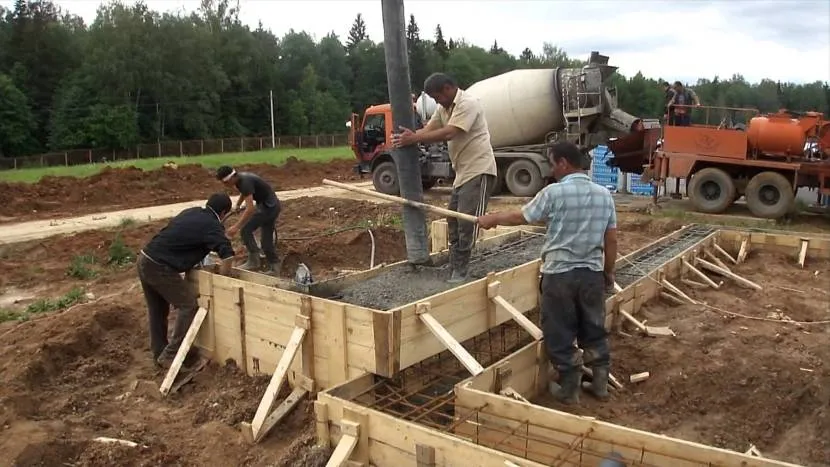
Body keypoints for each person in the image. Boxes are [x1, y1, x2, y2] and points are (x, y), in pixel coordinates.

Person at [477, 141, 618, 405]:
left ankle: (569, 389)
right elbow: (611, 240)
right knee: (594, 328)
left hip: (559, 276)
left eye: (552, 164)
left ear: (564, 163)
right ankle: (599, 384)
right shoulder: (604, 195)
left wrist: (493, 218)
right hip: (591, 276)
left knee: (560, 331)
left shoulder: (553, 193)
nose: (551, 170)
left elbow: (523, 216)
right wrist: (608, 272)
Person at [392, 72, 498, 283]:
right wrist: (409, 137)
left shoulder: (467, 103)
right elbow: (430, 129)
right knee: (453, 218)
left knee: (467, 221)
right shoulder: (444, 108)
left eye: (437, 96)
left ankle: (461, 269)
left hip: (479, 169)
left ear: (448, 89)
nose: (436, 101)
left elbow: (450, 132)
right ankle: (456, 263)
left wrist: (414, 138)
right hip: (463, 173)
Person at [137, 192, 236, 370]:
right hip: (159, 267)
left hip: (145, 258)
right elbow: (227, 256)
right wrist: (224, 279)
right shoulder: (213, 225)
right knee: (188, 305)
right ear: (223, 213)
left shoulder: (192, 212)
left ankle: (160, 354)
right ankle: (170, 354)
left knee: (157, 310)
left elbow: (185, 238)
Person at [216, 165, 282, 274]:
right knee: (266, 241)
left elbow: (250, 209)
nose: (225, 186)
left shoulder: (245, 182)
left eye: (225, 183)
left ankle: (254, 261)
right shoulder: (240, 179)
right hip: (268, 205)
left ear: (231, 178)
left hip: (269, 208)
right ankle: (274, 267)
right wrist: (238, 204)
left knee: (245, 230)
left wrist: (236, 227)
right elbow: (245, 193)